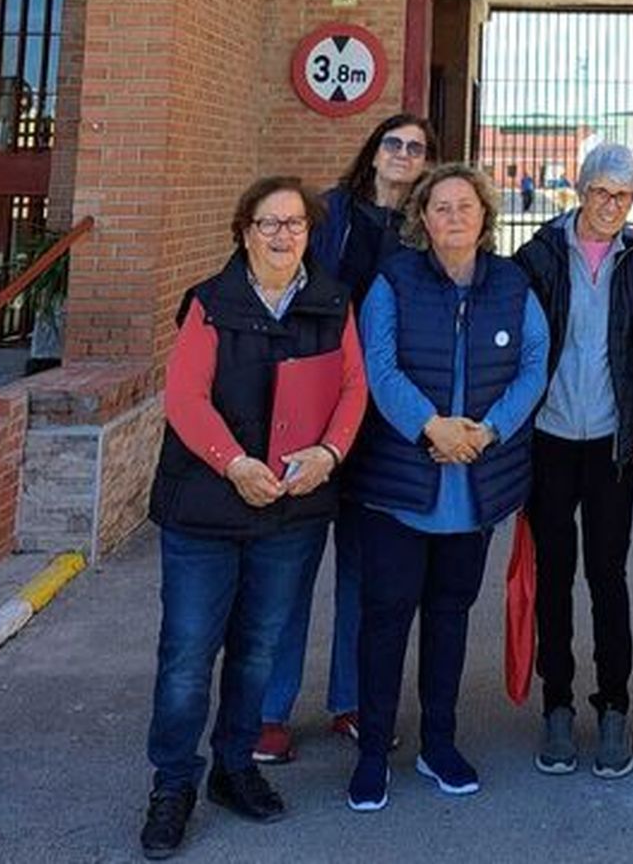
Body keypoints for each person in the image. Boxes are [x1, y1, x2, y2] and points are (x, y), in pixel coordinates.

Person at [140, 176, 367, 858]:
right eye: (268, 223)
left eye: (295, 224)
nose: (282, 235)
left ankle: (235, 768)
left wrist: (330, 453)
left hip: (292, 509)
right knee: (186, 655)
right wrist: (234, 462)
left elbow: (353, 387)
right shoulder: (211, 302)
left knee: (259, 650)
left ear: (310, 232)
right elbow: (184, 397)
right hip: (207, 507)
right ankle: (173, 784)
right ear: (244, 231)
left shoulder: (332, 300)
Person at [343, 164, 548, 811]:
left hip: (473, 487)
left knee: (450, 619)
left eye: (466, 206)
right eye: (440, 207)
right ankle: (373, 751)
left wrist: (486, 433)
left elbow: (535, 366)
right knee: (384, 621)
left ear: (485, 217)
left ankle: (439, 743)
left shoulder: (514, 284)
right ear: (422, 219)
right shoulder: (393, 281)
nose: (454, 217)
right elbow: (378, 365)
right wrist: (430, 426)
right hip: (403, 484)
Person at [255, 114, 436, 764]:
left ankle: (355, 702)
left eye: (416, 149)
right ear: (374, 150)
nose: (403, 155)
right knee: (290, 567)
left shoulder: (423, 232)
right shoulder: (327, 214)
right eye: (394, 143)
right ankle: (269, 710)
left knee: (367, 571)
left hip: (382, 421)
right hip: (310, 410)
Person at [515, 143, 633, 780]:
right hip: (548, 437)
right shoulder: (538, 256)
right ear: (580, 190)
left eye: (624, 196)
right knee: (553, 572)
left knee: (607, 574)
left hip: (611, 439)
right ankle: (556, 703)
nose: (611, 206)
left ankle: (612, 704)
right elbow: (518, 344)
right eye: (602, 192)